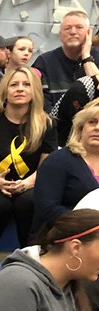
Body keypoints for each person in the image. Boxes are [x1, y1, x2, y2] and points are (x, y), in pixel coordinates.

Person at [0, 64, 56, 246]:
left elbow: (46, 166)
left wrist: (26, 184)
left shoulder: (46, 125)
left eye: (26, 84)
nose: (20, 89)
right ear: (5, 90)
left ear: (35, 91)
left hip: (30, 185)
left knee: (29, 201)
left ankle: (30, 254)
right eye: (14, 84)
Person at [37, 98, 99, 231]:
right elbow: (48, 210)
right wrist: (91, 223)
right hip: (62, 237)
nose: (97, 128)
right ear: (81, 128)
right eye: (92, 122)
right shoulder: (58, 161)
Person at [33, 10, 99, 118]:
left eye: (79, 27)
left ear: (89, 33)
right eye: (68, 28)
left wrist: (86, 57)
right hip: (56, 128)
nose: (73, 32)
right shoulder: (44, 62)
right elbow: (41, 107)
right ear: (60, 35)